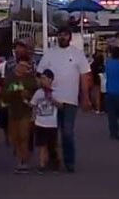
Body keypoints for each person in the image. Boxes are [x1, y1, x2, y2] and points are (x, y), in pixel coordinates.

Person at [36, 27, 91, 173]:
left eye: (65, 34)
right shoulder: (50, 54)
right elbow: (40, 74)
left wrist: (85, 96)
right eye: (60, 34)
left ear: (70, 37)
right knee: (50, 133)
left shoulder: (77, 54)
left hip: (70, 100)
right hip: (50, 100)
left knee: (67, 133)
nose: (62, 37)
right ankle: (53, 161)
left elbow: (85, 76)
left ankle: (69, 161)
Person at [1, 58, 38, 173]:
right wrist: (13, 89)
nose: (23, 68)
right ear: (17, 66)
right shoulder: (10, 78)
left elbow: (35, 93)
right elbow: (4, 94)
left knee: (24, 136)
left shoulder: (30, 79)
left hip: (25, 111)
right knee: (15, 137)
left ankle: (24, 161)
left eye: (25, 67)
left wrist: (28, 94)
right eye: (21, 65)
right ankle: (19, 159)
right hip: (13, 111)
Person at [30, 69, 59, 174]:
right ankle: (42, 164)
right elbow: (33, 105)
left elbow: (60, 106)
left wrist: (52, 99)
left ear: (50, 80)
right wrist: (33, 118)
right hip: (40, 122)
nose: (42, 81)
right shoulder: (38, 93)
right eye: (41, 79)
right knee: (42, 145)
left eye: (45, 79)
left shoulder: (56, 92)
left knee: (52, 145)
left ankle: (54, 163)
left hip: (52, 123)